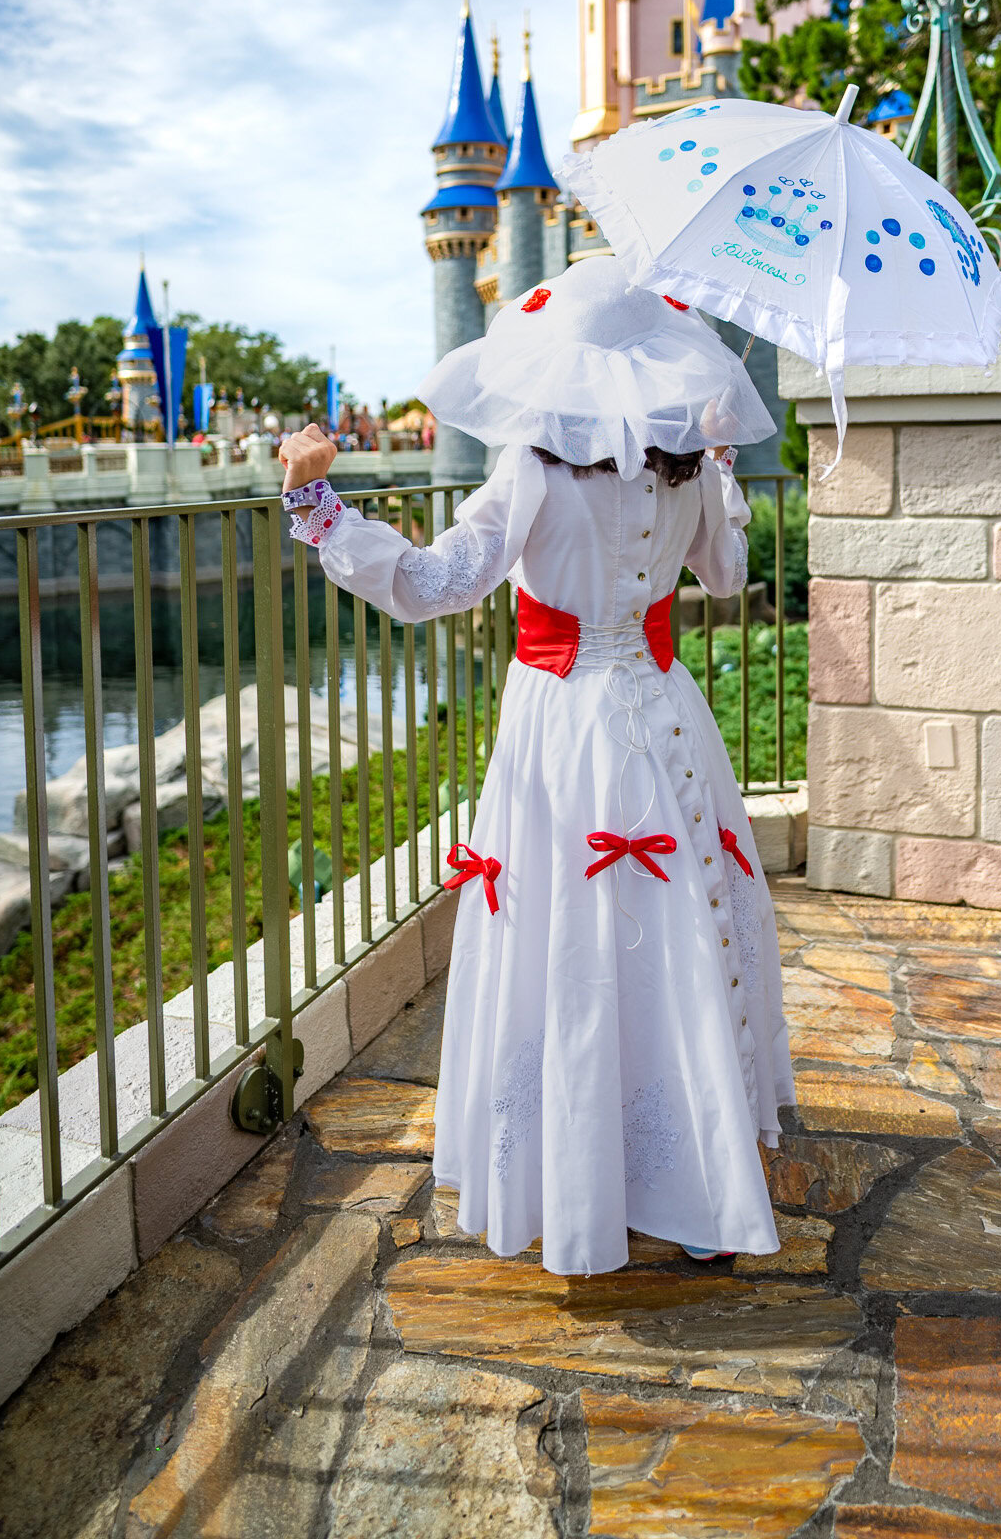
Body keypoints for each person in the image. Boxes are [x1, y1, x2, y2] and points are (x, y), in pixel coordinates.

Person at [277, 256, 794, 1277]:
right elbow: (728, 575)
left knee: (574, 939)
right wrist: (720, 463)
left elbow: (435, 583)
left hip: (563, 725)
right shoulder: (684, 470)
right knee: (675, 933)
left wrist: (320, 506)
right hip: (663, 715)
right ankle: (696, 1189)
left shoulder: (534, 468)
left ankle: (579, 1173)